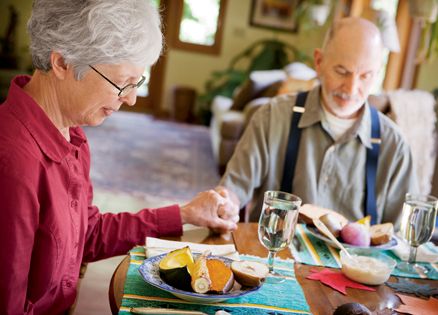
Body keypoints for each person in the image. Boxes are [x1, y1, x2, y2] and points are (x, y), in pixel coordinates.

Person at [0, 1, 239, 314]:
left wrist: (185, 214)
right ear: (61, 63)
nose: (131, 97)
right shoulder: (13, 165)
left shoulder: (70, 134)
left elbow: (85, 236)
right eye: (121, 83)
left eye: (137, 81)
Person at [219, 17, 418, 225]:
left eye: (365, 76)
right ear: (319, 62)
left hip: (356, 258)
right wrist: (224, 203)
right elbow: (233, 189)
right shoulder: (272, 117)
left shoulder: (395, 146)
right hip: (275, 254)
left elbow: (401, 236)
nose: (351, 88)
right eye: (342, 72)